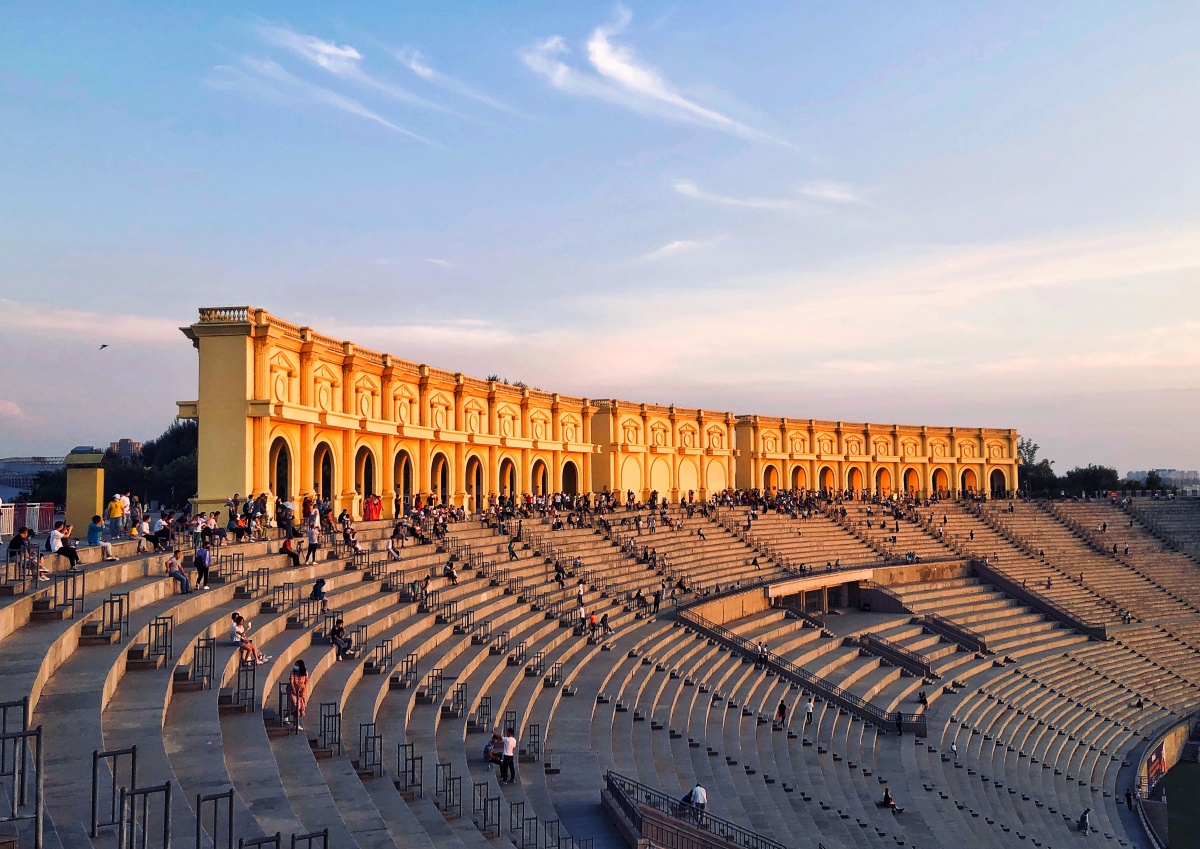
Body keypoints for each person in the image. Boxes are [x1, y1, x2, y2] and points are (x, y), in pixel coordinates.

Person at [286, 660, 309, 730]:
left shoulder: (305, 673)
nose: (295, 667)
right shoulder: (293, 672)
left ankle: (296, 724)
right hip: (292, 691)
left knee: (299, 708)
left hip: (301, 692)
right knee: (296, 705)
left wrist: (303, 692)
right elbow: (291, 681)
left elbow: (306, 683)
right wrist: (293, 690)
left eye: (297, 665)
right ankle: (287, 716)